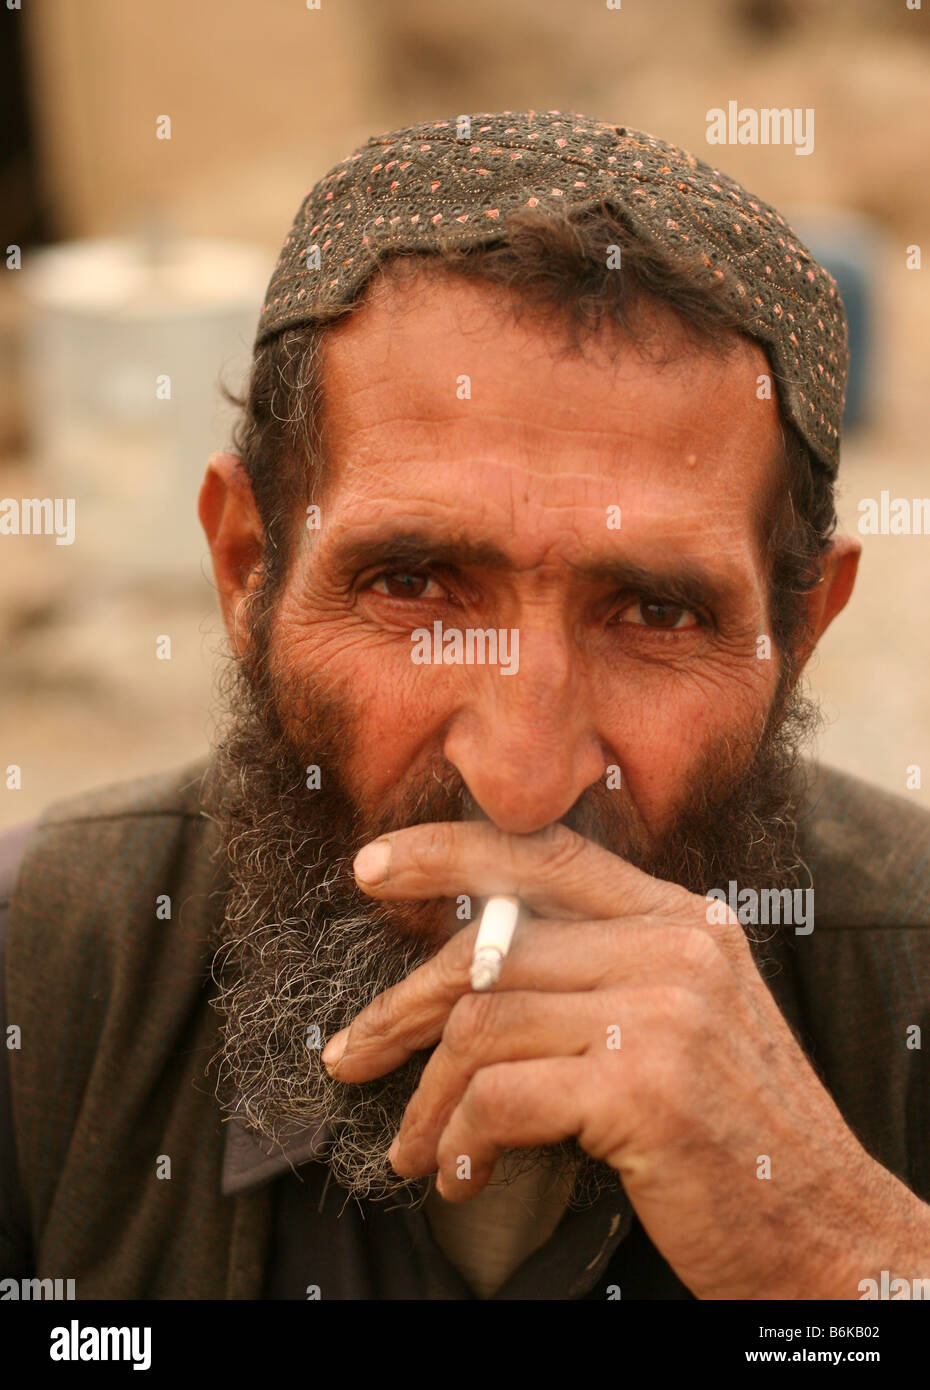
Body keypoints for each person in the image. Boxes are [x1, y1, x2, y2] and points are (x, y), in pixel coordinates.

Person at [2, 110, 929, 1301]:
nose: (523, 776)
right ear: (246, 569)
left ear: (797, 634)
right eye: (409, 584)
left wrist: (842, 1260)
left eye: (653, 614)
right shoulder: (43, 974)